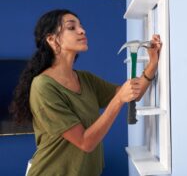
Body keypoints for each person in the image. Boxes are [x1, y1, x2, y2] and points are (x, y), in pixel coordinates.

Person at [9, 9, 162, 176]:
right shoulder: (43, 86)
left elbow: (133, 93)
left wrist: (152, 64)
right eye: (71, 27)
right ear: (52, 39)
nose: (82, 30)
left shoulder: (85, 79)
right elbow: (84, 142)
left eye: (81, 26)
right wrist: (118, 99)